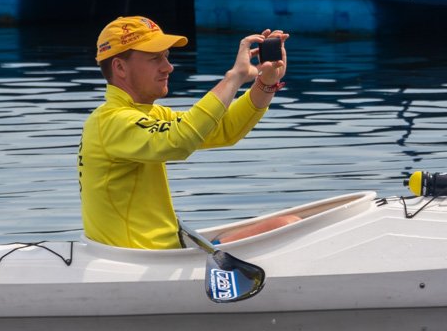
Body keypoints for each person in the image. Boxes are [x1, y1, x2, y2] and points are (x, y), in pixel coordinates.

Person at [78, 15, 298, 249]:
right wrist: (234, 77)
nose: (168, 67)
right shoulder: (111, 121)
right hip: (140, 262)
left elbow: (225, 130)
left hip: (163, 254)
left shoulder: (147, 115)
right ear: (120, 67)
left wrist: (265, 83)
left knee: (287, 224)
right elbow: (179, 141)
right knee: (291, 226)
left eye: (166, 56)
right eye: (155, 58)